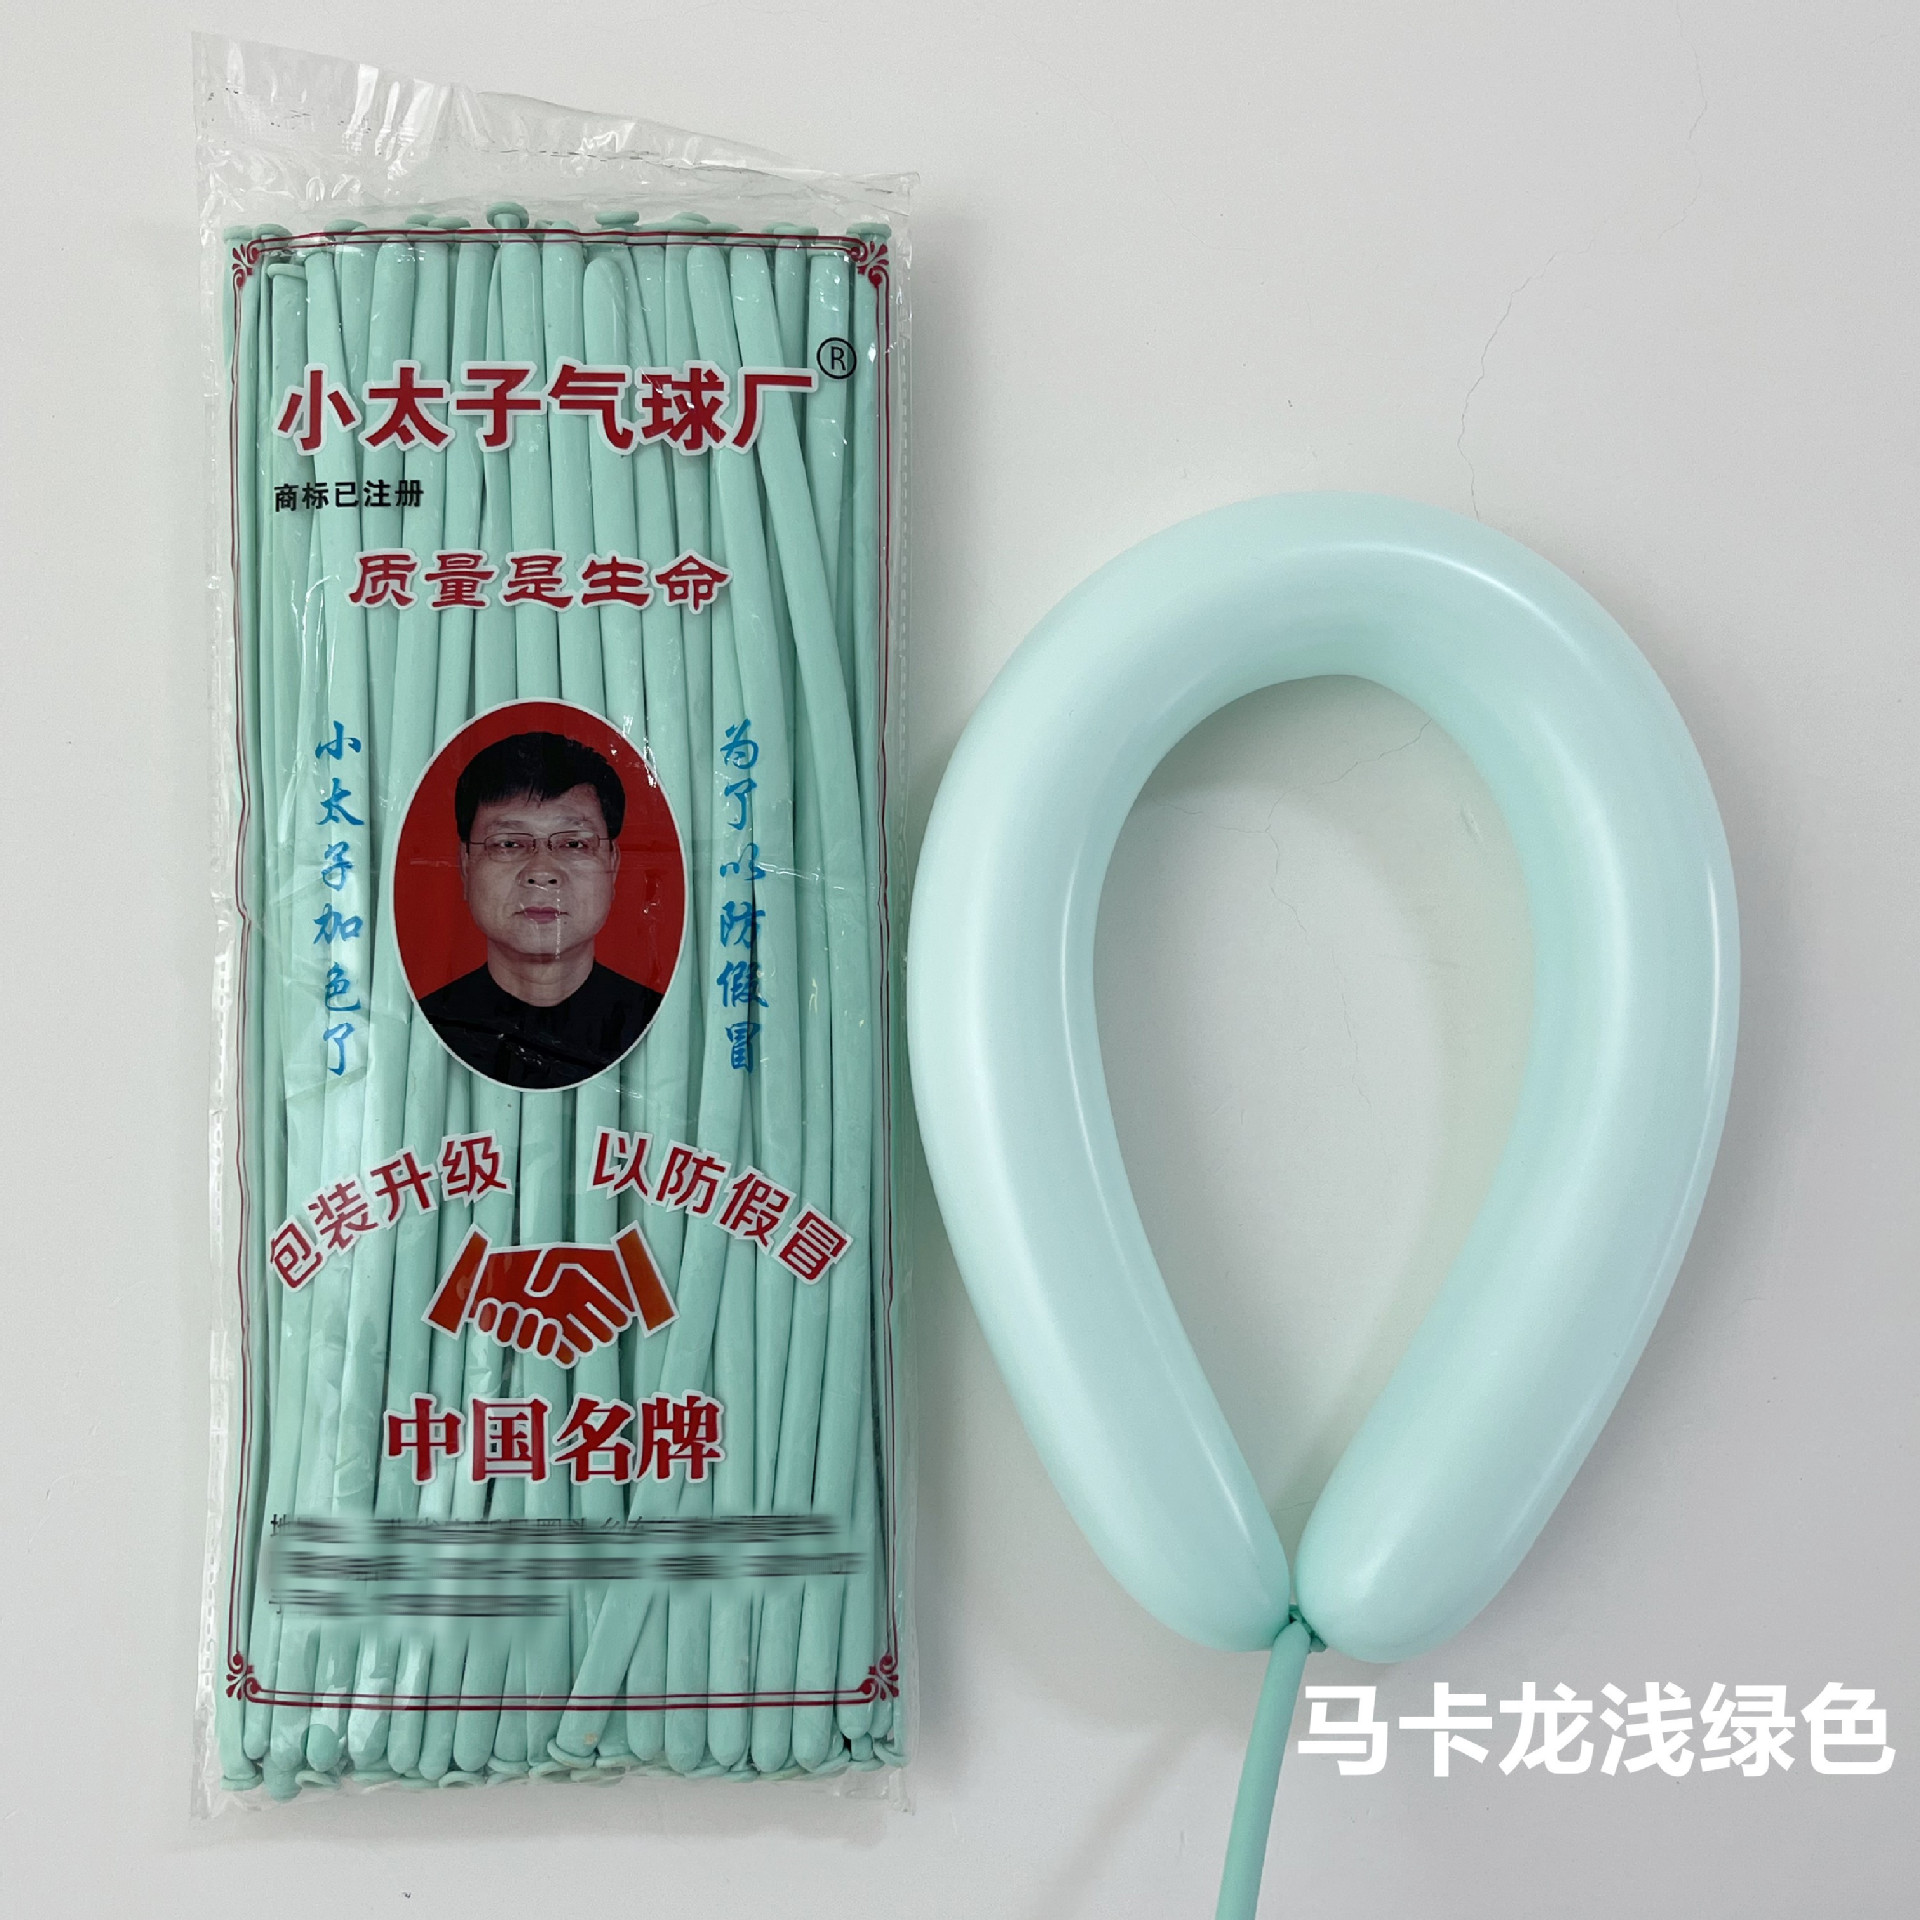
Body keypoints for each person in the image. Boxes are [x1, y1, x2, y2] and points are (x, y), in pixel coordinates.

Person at [419, 731, 662, 1089]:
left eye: (574, 843)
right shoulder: (422, 1031)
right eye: (509, 843)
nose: (542, 872)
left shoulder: (660, 1024)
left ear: (613, 864)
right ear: (466, 865)